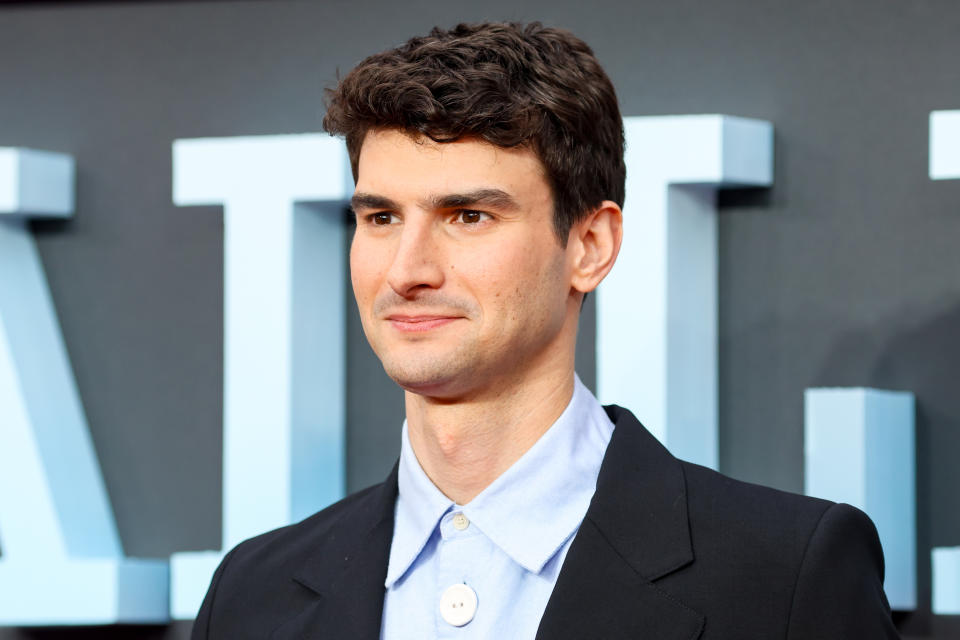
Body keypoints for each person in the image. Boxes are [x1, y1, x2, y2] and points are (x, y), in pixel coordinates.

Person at [191, 22, 899, 639]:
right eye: (380, 218)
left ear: (590, 245)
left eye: (468, 216)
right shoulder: (253, 595)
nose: (406, 271)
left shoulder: (783, 576)